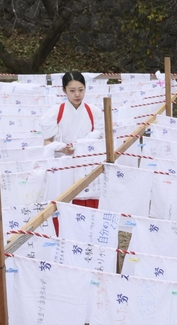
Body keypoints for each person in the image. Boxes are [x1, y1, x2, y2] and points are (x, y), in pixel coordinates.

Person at [38, 71, 104, 233]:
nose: (77, 94)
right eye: (72, 90)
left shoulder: (94, 111)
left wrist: (84, 146)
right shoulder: (55, 112)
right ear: (64, 90)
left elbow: (101, 139)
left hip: (87, 164)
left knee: (89, 208)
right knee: (64, 204)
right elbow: (47, 141)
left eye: (81, 90)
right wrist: (61, 148)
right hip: (63, 166)